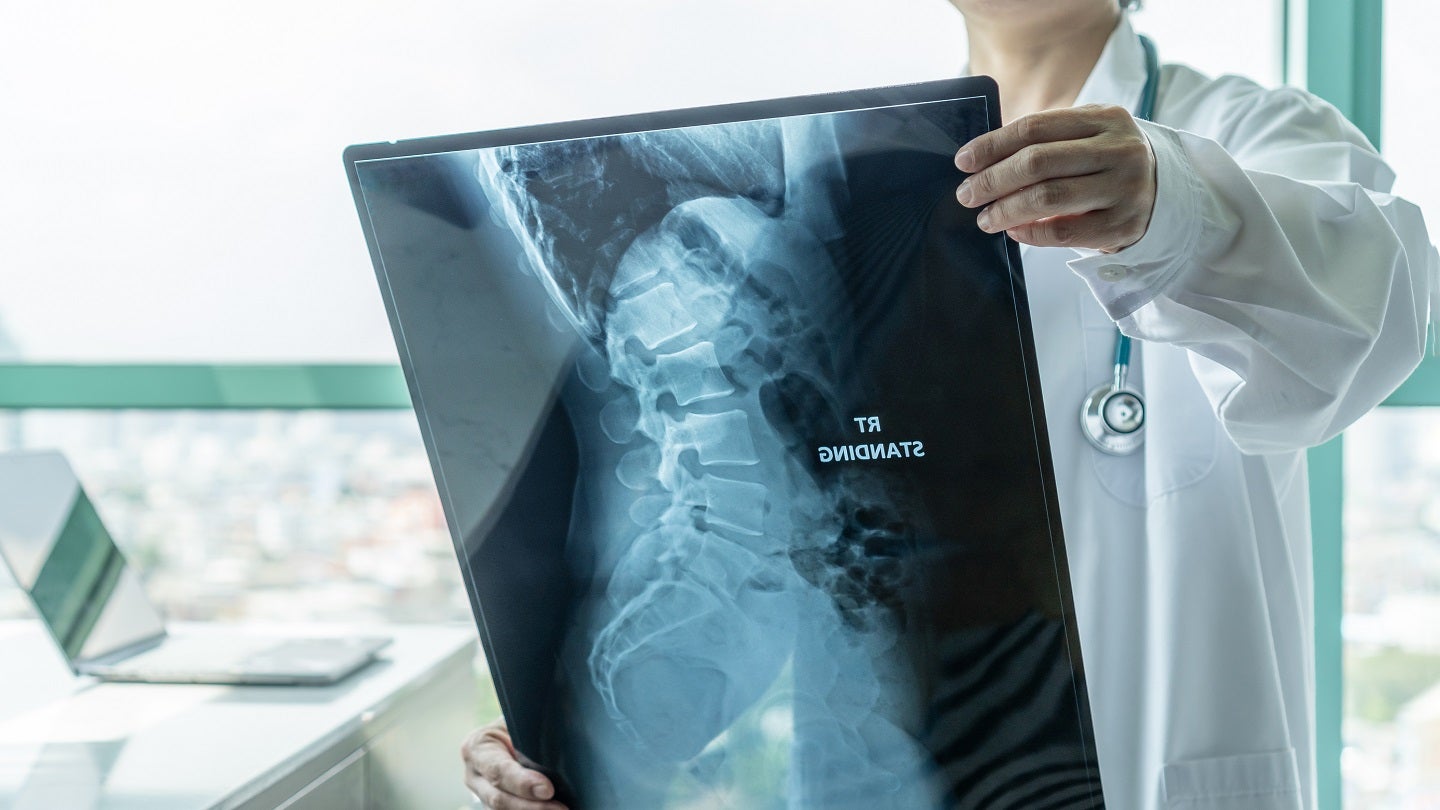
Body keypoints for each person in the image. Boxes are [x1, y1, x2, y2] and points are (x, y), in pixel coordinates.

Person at [462, 0, 1438, 807]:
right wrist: (568, 743)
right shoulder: (838, 183)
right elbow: (769, 538)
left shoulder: (1250, 132)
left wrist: (1171, 209)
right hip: (890, 743)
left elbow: (1375, 313)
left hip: (1149, 746)